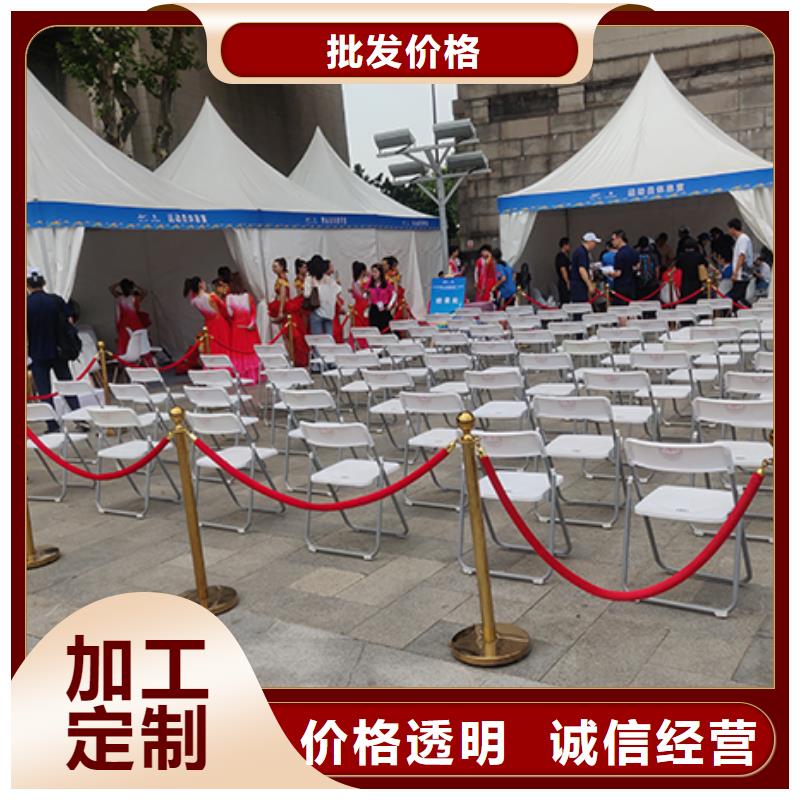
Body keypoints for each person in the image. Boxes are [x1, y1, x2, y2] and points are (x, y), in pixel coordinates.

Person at [27, 269, 81, 431]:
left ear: (27, 285)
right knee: (67, 386)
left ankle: (52, 424)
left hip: (37, 353)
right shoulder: (56, 300)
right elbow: (70, 321)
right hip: (59, 350)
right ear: (44, 283)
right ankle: (80, 418)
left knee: (44, 391)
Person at [268, 258, 309, 367]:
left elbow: (283, 295)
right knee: (288, 334)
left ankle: (293, 358)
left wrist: (280, 310)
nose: (273, 268)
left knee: (288, 335)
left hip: (285, 306)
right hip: (284, 305)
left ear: (282, 267)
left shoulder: (282, 280)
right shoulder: (282, 279)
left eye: (275, 266)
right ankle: (293, 358)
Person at [183, 276, 231, 355]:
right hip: (219, 323)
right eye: (203, 282)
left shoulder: (194, 301)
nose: (205, 283)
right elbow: (225, 308)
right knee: (224, 344)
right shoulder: (211, 296)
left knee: (211, 346)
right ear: (200, 284)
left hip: (208, 324)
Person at [226, 281, 261, 382]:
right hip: (248, 327)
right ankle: (253, 375)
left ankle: (240, 375)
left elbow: (230, 314)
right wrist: (251, 324)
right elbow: (253, 312)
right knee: (250, 352)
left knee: (238, 352)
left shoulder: (229, 298)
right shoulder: (248, 297)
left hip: (237, 328)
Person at [108, 278, 149, 356]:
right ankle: (139, 357)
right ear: (131, 288)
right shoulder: (134, 298)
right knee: (138, 343)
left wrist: (119, 283)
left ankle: (125, 359)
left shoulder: (119, 297)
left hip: (123, 324)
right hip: (135, 323)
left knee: (124, 344)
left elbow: (111, 288)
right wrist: (135, 285)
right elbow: (145, 292)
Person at [304, 254, 342, 337]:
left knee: (318, 340)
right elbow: (338, 290)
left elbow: (306, 294)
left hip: (316, 311)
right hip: (329, 312)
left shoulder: (309, 279)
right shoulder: (328, 279)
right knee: (329, 339)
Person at [728, 217, 754, 309]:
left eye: (729, 229)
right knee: (737, 297)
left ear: (733, 228)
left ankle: (749, 309)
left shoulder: (743, 239)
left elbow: (741, 256)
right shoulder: (740, 239)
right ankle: (737, 312)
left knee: (737, 297)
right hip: (740, 274)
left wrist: (735, 272)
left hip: (742, 274)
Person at [608, 229, 639, 303]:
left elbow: (618, 273)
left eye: (613, 239)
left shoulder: (620, 254)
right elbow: (637, 266)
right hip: (632, 285)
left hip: (621, 287)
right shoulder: (633, 251)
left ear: (619, 239)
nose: (612, 242)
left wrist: (609, 273)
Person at [674, 235, 707, 304]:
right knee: (696, 300)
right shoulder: (698, 256)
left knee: (685, 300)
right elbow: (705, 265)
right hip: (696, 281)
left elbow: (677, 266)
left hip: (684, 281)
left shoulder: (681, 256)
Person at [569, 232, 601, 302]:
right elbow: (582, 269)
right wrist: (589, 285)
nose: (595, 245)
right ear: (590, 242)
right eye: (594, 242)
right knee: (581, 305)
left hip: (578, 284)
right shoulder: (582, 253)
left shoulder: (581, 251)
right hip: (579, 285)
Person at [367, 263, 397, 331]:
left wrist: (390, 305)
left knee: (385, 328)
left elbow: (394, 294)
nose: (373, 274)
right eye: (372, 272)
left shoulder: (386, 284)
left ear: (380, 273)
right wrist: (367, 295)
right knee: (374, 329)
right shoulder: (370, 284)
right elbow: (366, 293)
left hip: (384, 309)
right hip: (374, 309)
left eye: (375, 272)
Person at [350, 261, 371, 344]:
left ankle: (358, 342)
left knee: (358, 325)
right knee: (365, 323)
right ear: (363, 271)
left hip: (357, 306)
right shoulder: (365, 281)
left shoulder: (354, 282)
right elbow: (364, 295)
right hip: (365, 305)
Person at [554, 237, 571, 304]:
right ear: (564, 246)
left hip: (564, 282)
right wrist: (567, 281)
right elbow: (563, 269)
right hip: (563, 283)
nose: (569, 247)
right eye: (568, 245)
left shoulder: (564, 256)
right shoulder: (561, 256)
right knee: (565, 300)